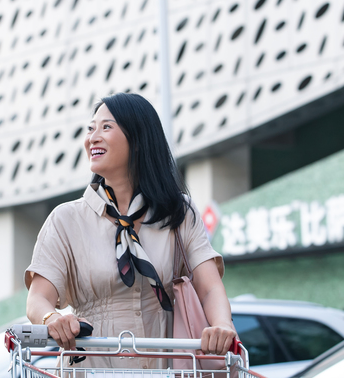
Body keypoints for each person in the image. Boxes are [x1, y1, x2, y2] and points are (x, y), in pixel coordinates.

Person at [26, 92, 236, 360]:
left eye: (106, 127)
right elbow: (37, 300)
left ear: (138, 140)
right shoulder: (65, 219)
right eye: (90, 129)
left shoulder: (177, 212)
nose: (93, 137)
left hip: (163, 377)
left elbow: (209, 287)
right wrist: (51, 317)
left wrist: (222, 325)